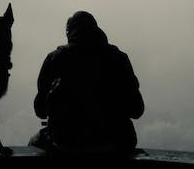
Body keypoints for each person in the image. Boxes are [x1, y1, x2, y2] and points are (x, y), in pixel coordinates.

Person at [29, 11, 144, 154]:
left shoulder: (54, 59)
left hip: (66, 144)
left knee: (34, 143)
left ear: (69, 33)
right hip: (114, 143)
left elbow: (40, 111)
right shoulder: (119, 58)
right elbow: (137, 110)